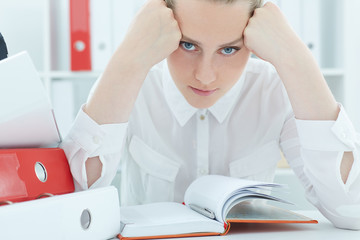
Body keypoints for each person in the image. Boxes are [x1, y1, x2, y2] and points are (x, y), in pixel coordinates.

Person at [60, 0, 360, 230]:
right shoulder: (132, 79)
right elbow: (67, 206)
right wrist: (126, 57)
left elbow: (352, 211)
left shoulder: (274, 89)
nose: (205, 76)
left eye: (229, 50)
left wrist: (295, 57)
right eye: (187, 45)